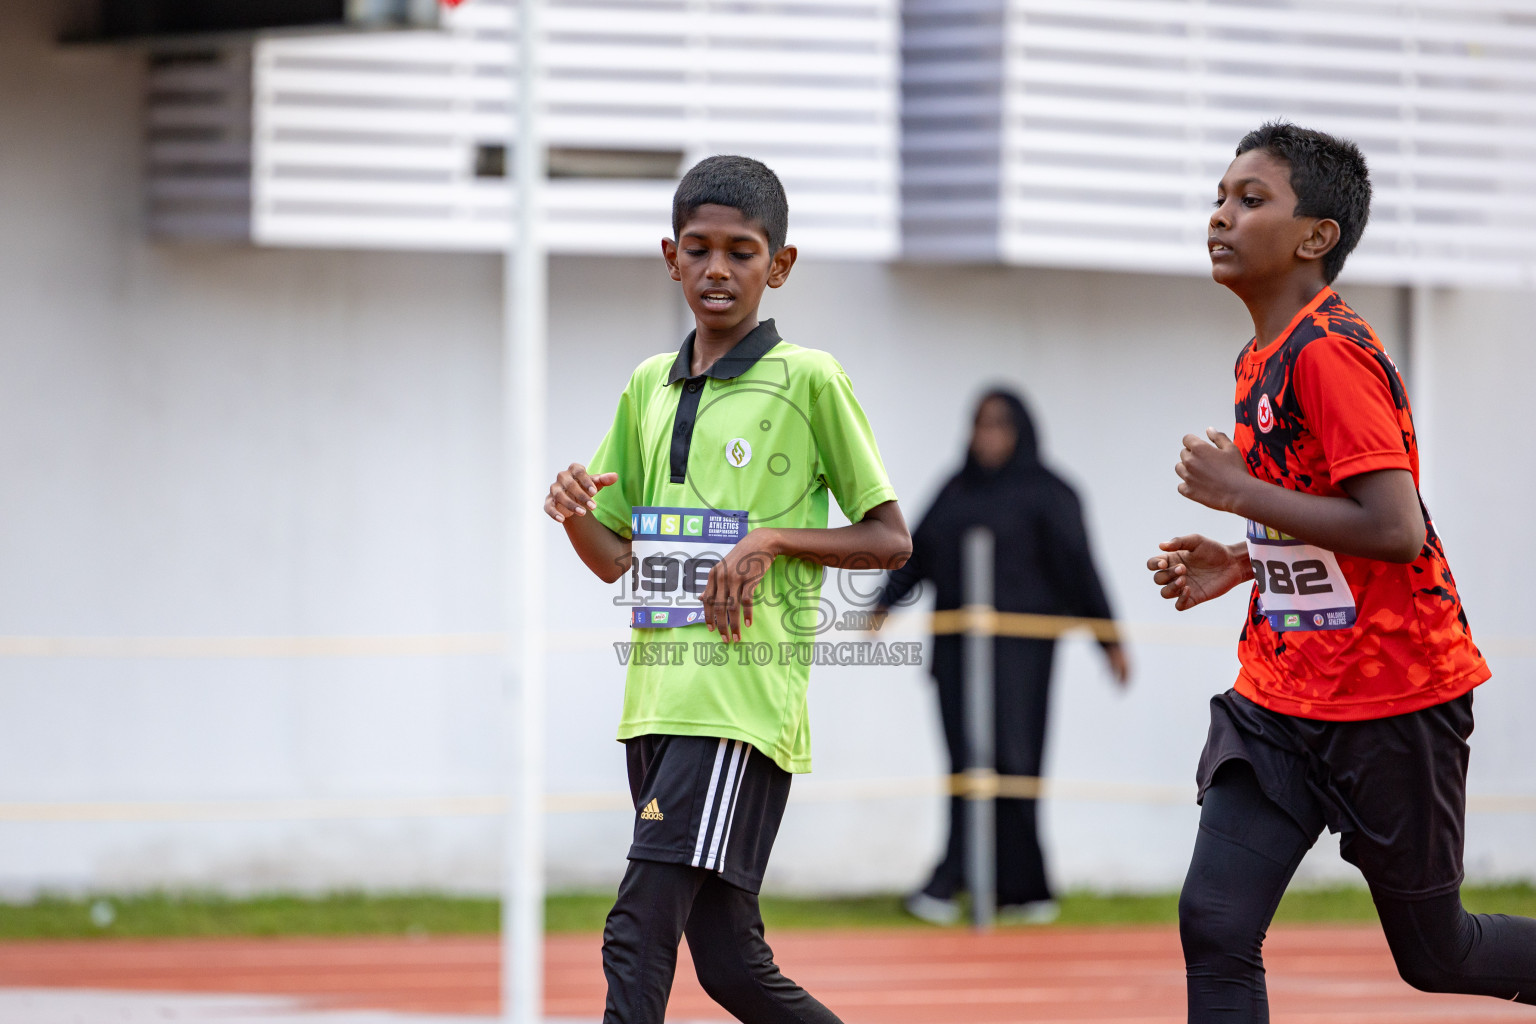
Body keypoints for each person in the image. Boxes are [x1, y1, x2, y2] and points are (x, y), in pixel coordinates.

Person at [1147, 121, 1536, 1021]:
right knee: (1213, 921)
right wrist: (1241, 562)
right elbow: (1324, 512)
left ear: (1316, 236)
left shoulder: (1329, 351)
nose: (1221, 216)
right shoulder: (1261, 356)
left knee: (1438, 954)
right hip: (1282, 697)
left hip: (1392, 699)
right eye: (1219, 196)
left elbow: (1393, 529)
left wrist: (1239, 490)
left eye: (1252, 200)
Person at [545, 155, 911, 1024]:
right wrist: (568, 513)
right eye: (699, 250)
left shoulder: (810, 379)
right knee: (731, 967)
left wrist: (774, 538)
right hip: (656, 702)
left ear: (778, 266)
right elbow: (613, 556)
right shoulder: (647, 386)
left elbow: (891, 538)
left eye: (741, 252)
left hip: (738, 704)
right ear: (670, 257)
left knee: (638, 929)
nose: (718, 269)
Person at [876, 388, 1129, 926]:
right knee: (966, 766)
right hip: (956, 659)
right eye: (979, 425)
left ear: (1021, 431)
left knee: (1013, 766)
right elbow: (916, 554)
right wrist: (883, 605)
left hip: (1022, 664)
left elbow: (1081, 572)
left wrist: (1110, 642)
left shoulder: (1051, 493)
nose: (986, 437)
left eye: (998, 426)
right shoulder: (958, 488)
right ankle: (954, 884)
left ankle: (1018, 889)